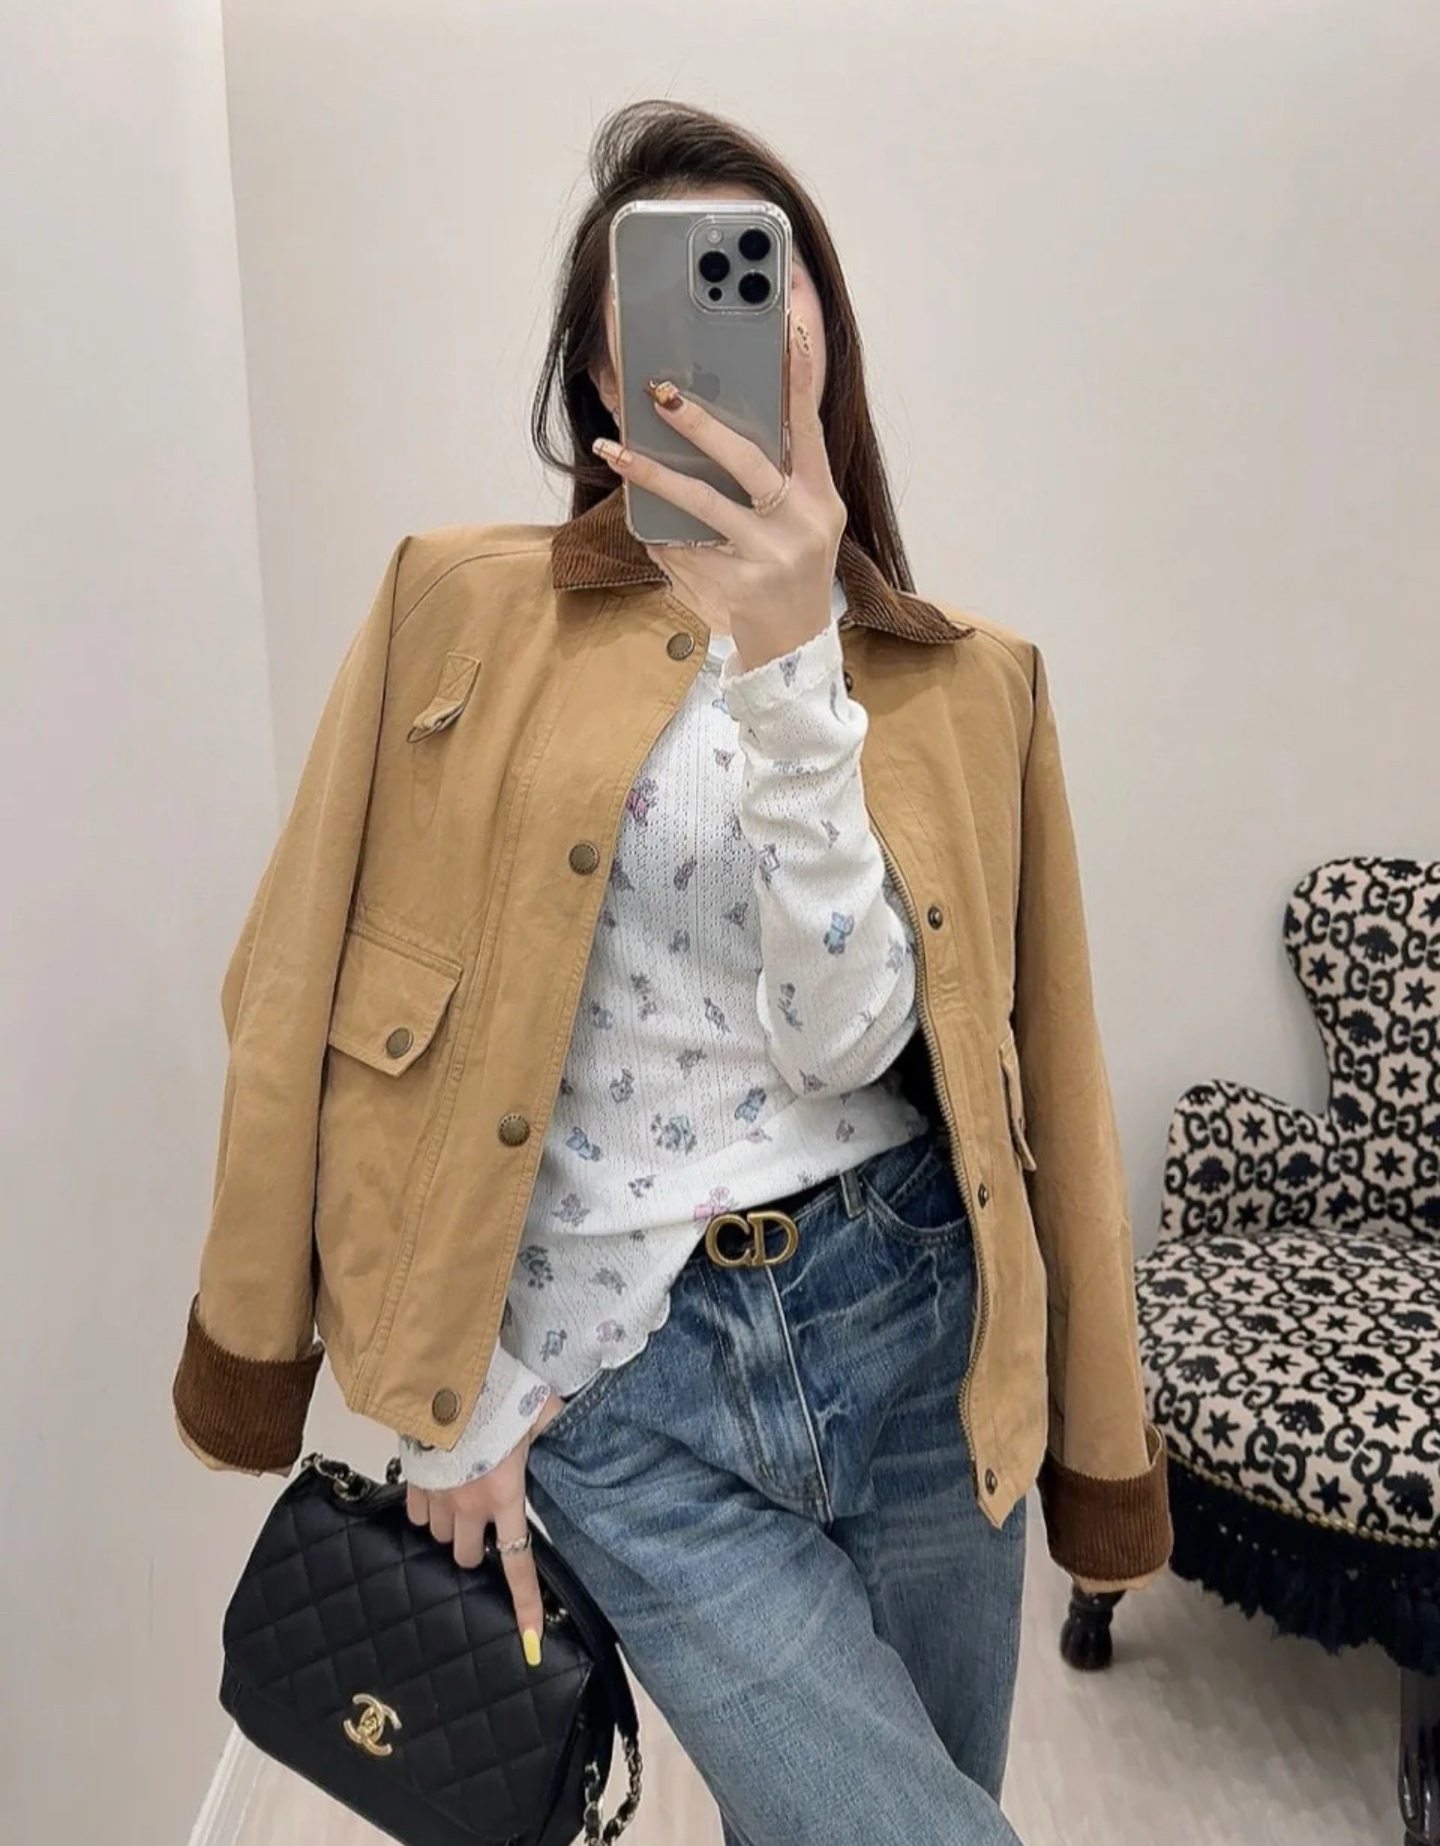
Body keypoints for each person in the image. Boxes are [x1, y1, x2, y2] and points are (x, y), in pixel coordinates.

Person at [173, 99, 1172, 1846]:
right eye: (665, 292)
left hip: (915, 1330)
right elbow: (308, 999)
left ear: (822, 341)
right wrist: (456, 1399)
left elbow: (884, 1051)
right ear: (597, 371)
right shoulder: (453, 610)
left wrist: (790, 665)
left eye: (760, 282)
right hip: (625, 1383)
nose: (724, 330)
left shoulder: (968, 682)